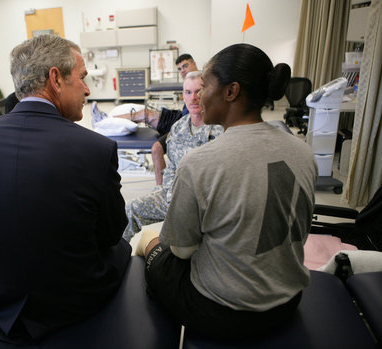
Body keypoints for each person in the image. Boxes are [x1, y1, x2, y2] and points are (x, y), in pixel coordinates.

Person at [0, 35, 131, 344]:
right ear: (55, 79)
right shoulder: (95, 150)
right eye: (82, 78)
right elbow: (111, 233)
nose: (88, 89)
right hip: (74, 305)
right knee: (125, 247)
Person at [135, 43, 318, 338]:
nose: (197, 98)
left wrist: (154, 242)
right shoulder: (303, 152)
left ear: (231, 92)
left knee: (150, 242)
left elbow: (181, 250)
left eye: (204, 86)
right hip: (288, 301)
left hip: (224, 313)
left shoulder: (199, 163)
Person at [122, 71, 223, 242]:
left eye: (199, 91)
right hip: (174, 197)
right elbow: (171, 169)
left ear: (208, 93)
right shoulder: (179, 127)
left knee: (174, 242)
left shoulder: (220, 131)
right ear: (183, 96)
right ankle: (118, 257)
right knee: (131, 209)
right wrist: (168, 195)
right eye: (188, 92)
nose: (193, 98)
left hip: (206, 206)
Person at [92, 54, 198, 185]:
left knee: (146, 117)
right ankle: (106, 120)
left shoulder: (203, 82)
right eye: (180, 69)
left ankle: (104, 120)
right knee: (145, 113)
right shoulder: (191, 81)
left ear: (194, 64)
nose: (183, 70)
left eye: (185, 66)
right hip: (180, 116)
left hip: (184, 122)